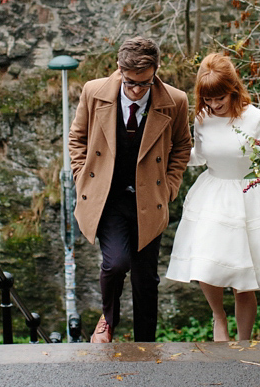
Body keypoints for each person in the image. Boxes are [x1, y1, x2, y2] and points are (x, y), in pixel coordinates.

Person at [69, 37, 192, 343]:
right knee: (115, 263)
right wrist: (81, 178)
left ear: (156, 72)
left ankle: (145, 345)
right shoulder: (94, 92)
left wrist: (170, 187)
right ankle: (108, 320)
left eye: (145, 83)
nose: (137, 90)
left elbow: (182, 147)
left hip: (149, 199)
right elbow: (77, 139)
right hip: (108, 198)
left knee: (146, 278)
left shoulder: (175, 101)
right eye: (131, 82)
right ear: (119, 69)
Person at [166, 53, 260, 341]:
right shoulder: (202, 119)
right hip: (213, 194)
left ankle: (244, 341)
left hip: (249, 196)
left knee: (242, 280)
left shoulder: (258, 119)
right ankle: (218, 316)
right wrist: (173, 153)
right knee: (206, 264)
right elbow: (199, 155)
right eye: (208, 99)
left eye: (220, 97)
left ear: (233, 88)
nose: (214, 104)